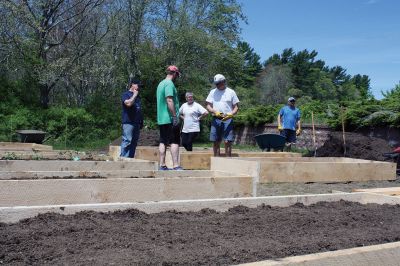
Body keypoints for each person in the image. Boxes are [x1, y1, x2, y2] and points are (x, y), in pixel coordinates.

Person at [206, 74, 239, 157]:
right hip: (216, 118)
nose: (217, 85)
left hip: (228, 119)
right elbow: (208, 105)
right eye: (216, 84)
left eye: (218, 83)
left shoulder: (231, 92)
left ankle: (228, 160)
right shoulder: (212, 92)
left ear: (224, 81)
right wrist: (214, 111)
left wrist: (231, 114)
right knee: (216, 140)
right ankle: (216, 159)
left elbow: (236, 107)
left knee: (227, 141)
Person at [156, 65, 182, 170]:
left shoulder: (161, 83)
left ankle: (162, 165)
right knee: (174, 141)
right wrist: (174, 116)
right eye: (177, 75)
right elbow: (169, 100)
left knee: (163, 141)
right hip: (170, 118)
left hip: (162, 118)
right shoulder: (169, 84)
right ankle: (175, 165)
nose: (177, 77)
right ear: (175, 74)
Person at [120, 78, 144, 158]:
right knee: (127, 141)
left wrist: (141, 121)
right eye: (138, 85)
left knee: (134, 142)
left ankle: (130, 160)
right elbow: (128, 104)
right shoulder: (126, 94)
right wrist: (134, 95)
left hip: (136, 122)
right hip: (128, 122)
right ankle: (123, 160)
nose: (139, 88)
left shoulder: (138, 97)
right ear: (132, 84)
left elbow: (139, 109)